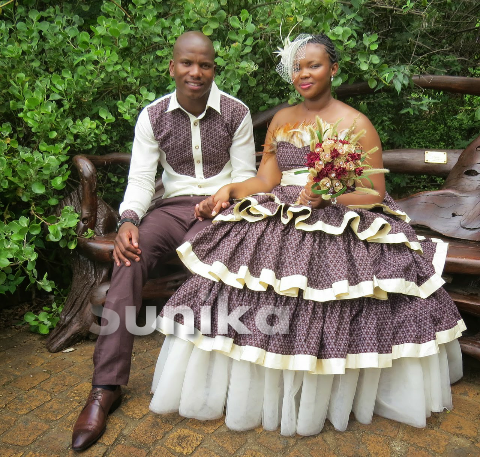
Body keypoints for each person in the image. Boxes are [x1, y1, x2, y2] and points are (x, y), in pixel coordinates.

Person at [149, 33, 465, 436]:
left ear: (333, 69)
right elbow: (266, 178)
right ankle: (259, 391)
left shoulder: (355, 123)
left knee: (335, 291)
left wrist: (327, 194)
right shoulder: (282, 119)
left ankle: (329, 389)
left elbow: (373, 192)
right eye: (298, 67)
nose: (304, 74)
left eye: (313, 65)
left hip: (340, 212)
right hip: (281, 207)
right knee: (245, 272)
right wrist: (230, 190)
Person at [71, 31, 257, 451]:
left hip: (220, 211)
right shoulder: (153, 116)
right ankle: (106, 387)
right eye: (187, 64)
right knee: (129, 258)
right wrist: (129, 220)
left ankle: (216, 381)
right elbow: (140, 178)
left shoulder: (235, 112)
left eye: (205, 64)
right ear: (172, 66)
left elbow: (246, 178)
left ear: (214, 68)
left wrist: (222, 201)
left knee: (216, 263)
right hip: (169, 210)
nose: (196, 72)